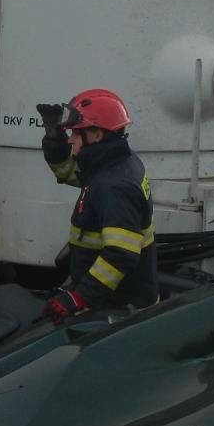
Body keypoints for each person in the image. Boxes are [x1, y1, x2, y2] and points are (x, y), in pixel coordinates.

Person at [35, 88, 158, 322]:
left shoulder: (115, 186)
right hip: (111, 302)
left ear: (97, 135)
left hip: (122, 313)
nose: (70, 138)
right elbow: (70, 173)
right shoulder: (113, 163)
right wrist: (54, 141)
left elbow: (120, 254)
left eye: (76, 133)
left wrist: (79, 298)